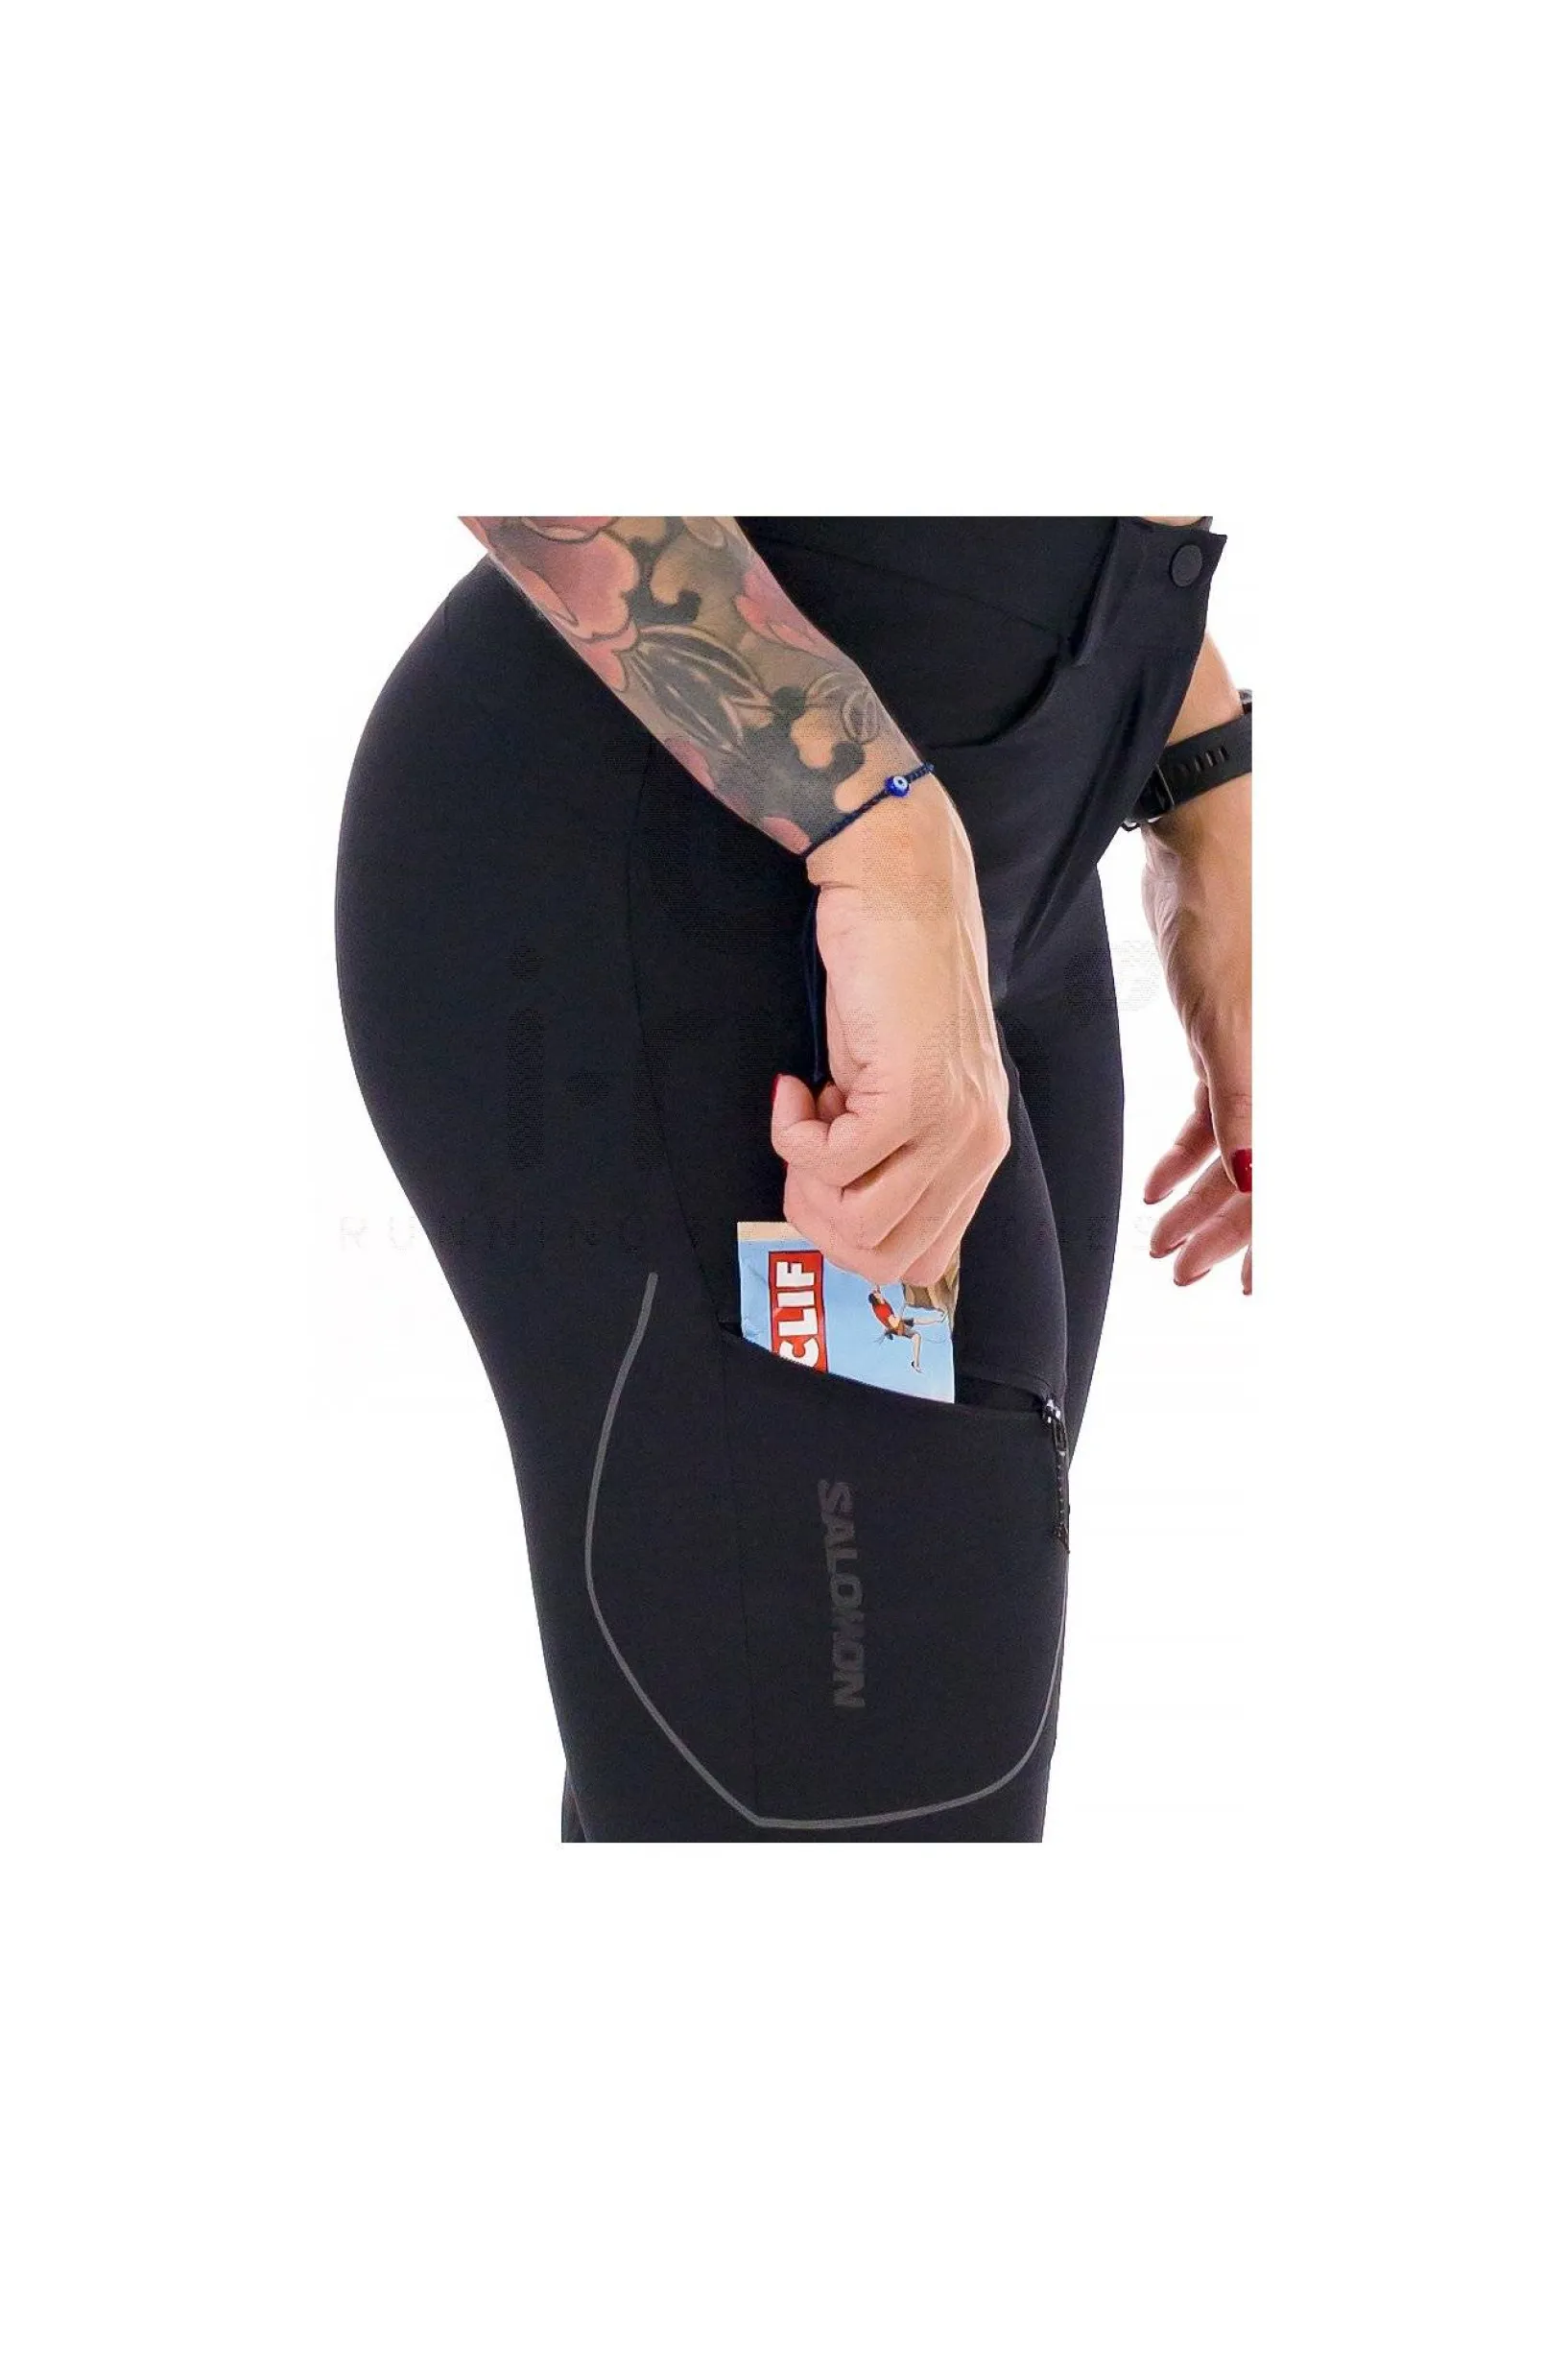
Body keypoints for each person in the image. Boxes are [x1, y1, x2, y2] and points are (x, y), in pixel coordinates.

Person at [334, 516, 1251, 1842]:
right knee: (872, 1794)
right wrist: (876, 832)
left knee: (836, 1764)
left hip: (983, 878)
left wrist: (1208, 787)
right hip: (703, 866)